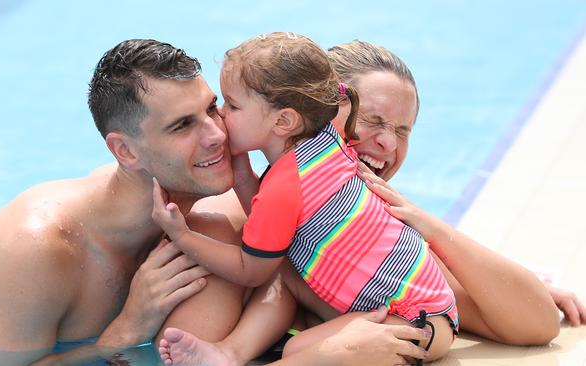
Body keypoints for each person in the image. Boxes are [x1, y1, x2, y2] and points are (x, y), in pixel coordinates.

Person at [0, 38, 430, 366]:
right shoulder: (39, 247)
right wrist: (125, 329)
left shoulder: (218, 221)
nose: (216, 134)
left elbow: (293, 276)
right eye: (182, 126)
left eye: (213, 108)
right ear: (125, 151)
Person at [154, 39, 586, 366]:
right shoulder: (234, 219)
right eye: (373, 120)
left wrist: (432, 231)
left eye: (403, 130)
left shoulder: (358, 216)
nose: (386, 142)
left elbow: (535, 322)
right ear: (324, 111)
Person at [153, 32, 458, 364]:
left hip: (417, 324)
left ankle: (228, 355)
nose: (221, 116)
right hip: (423, 307)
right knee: (283, 268)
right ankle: (227, 354)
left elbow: (250, 270)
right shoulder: (324, 141)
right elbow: (273, 229)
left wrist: (183, 236)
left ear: (284, 120)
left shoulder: (286, 186)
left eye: (233, 105)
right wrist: (241, 172)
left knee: (300, 350)